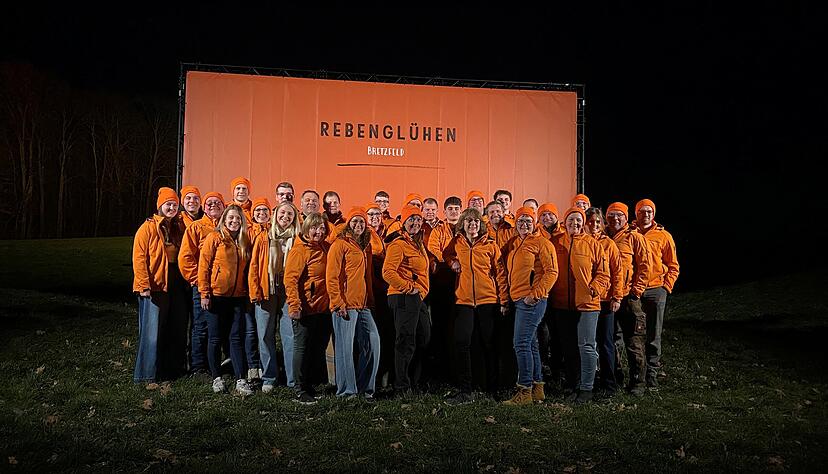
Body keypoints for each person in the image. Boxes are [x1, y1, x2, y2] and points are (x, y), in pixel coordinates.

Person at [442, 208, 508, 404]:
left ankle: (492, 389)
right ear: (463, 224)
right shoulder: (457, 242)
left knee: (489, 344)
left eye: (476, 221)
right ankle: (465, 390)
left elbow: (501, 274)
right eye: (469, 221)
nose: (472, 224)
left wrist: (504, 300)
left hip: (488, 301)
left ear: (480, 224)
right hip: (464, 301)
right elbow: (446, 254)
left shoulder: (490, 245)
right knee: (462, 343)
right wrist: (452, 261)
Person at [550, 207, 610, 404]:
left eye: (578, 220)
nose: (574, 223)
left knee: (586, 345)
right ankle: (572, 384)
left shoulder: (593, 244)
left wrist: (594, 289)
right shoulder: (556, 243)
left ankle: (586, 388)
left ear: (582, 223)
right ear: (564, 222)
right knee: (568, 347)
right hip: (563, 304)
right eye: (570, 220)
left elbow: (603, 273)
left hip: (587, 304)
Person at [501, 207, 558, 405]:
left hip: (531, 300)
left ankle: (524, 391)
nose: (524, 224)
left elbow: (552, 272)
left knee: (521, 343)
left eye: (528, 221)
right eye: (520, 221)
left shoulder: (542, 243)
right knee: (531, 344)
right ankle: (537, 388)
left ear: (534, 223)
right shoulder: (516, 243)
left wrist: (535, 295)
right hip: (519, 299)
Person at [132, 187, 189, 384]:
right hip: (155, 283)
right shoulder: (148, 228)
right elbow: (139, 258)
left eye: (174, 204)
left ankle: (169, 370)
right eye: (168, 204)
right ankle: (146, 374)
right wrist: (143, 284)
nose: (172, 207)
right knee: (152, 331)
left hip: (175, 280)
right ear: (160, 207)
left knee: (174, 326)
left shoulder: (177, 227)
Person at [198, 204, 253, 395]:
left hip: (237, 297)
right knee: (214, 337)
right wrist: (204, 293)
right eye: (231, 218)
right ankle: (216, 377)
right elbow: (203, 266)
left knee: (236, 338)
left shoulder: (244, 240)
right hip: (216, 295)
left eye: (238, 218)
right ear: (224, 219)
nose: (234, 221)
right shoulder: (215, 237)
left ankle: (240, 379)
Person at [326, 206, 381, 399]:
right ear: (348, 223)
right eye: (355, 221)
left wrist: (371, 300)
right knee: (344, 349)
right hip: (345, 305)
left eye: (362, 221)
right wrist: (337, 302)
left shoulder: (366, 246)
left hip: (364, 304)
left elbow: (367, 277)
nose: (358, 224)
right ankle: (347, 392)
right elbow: (332, 277)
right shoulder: (339, 244)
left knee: (373, 342)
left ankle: (366, 388)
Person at [248, 201, 302, 392]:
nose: (285, 217)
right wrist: (254, 290)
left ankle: (291, 378)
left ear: (294, 218)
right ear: (275, 214)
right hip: (266, 289)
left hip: (288, 291)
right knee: (264, 334)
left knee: (290, 335)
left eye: (290, 214)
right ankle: (269, 377)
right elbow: (254, 265)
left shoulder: (298, 239)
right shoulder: (264, 237)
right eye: (282, 213)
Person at [284, 212, 333, 404]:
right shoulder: (300, 250)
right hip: (306, 307)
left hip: (323, 308)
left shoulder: (325, 248)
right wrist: (295, 305)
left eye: (322, 228)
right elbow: (291, 279)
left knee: (316, 348)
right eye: (314, 227)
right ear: (306, 228)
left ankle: (310, 385)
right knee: (301, 348)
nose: (318, 232)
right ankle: (299, 388)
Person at [383, 205, 431, 396]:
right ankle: (401, 386)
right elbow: (388, 272)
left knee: (423, 338)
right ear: (403, 222)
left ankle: (415, 382)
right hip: (403, 296)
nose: (416, 223)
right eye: (411, 219)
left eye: (418, 220)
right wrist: (409, 288)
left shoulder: (416, 243)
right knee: (405, 342)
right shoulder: (399, 243)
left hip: (417, 298)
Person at [605, 202, 650, 396]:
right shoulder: (601, 236)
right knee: (610, 341)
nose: (615, 219)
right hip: (607, 297)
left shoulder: (634, 238)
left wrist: (636, 292)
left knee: (634, 341)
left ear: (625, 217)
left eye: (619, 215)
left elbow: (644, 267)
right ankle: (615, 378)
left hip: (628, 297)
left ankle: (638, 381)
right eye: (611, 215)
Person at [178, 191, 225, 378]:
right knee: (201, 325)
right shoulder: (196, 227)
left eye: (218, 203)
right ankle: (198, 366)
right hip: (202, 285)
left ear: (223, 206)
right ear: (204, 207)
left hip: (223, 286)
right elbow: (185, 257)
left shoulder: (227, 226)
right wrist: (197, 280)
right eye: (209, 203)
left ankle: (216, 361)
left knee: (219, 325)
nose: (213, 205)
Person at [634, 198, 680, 388]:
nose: (646, 214)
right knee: (634, 334)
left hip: (656, 289)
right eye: (642, 211)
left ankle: (652, 372)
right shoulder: (630, 234)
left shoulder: (664, 236)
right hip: (635, 289)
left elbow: (673, 265)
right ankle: (637, 373)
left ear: (653, 214)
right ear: (636, 213)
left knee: (654, 333)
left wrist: (666, 288)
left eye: (649, 212)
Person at [585, 207, 624, 396]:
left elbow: (617, 272)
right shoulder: (580, 242)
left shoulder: (609, 244)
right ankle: (588, 382)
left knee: (606, 342)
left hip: (605, 300)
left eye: (597, 222)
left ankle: (610, 384)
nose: (594, 225)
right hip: (585, 301)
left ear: (602, 223)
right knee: (587, 343)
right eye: (590, 221)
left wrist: (617, 296)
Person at [535, 202, 566, 386]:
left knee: (559, 332)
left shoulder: (564, 235)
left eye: (550, 215)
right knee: (543, 331)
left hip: (561, 290)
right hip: (544, 290)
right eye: (543, 215)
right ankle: (545, 366)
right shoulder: (537, 235)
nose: (547, 218)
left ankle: (558, 369)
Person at [366, 202, 394, 389]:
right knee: (372, 335)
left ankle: (385, 374)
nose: (375, 217)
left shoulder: (389, 232)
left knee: (387, 333)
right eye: (371, 214)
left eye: (377, 213)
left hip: (388, 291)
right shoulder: (365, 234)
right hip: (373, 290)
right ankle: (372, 377)